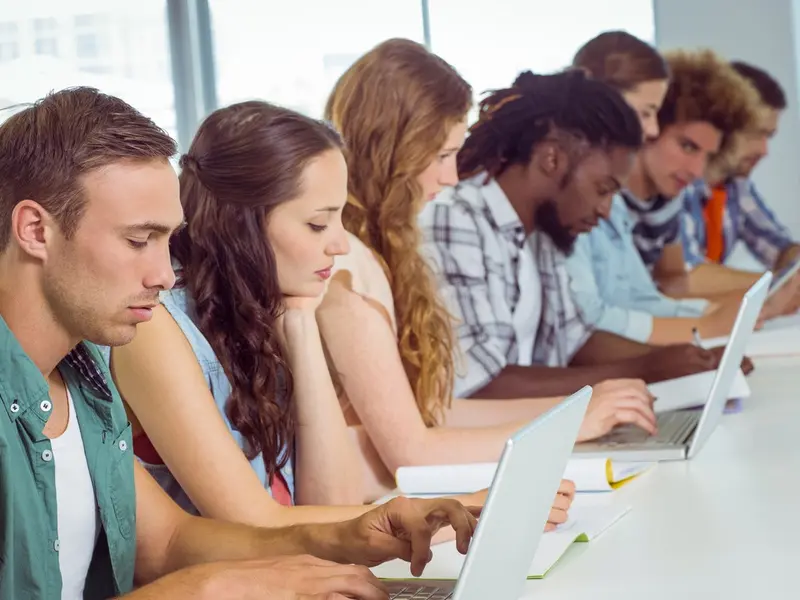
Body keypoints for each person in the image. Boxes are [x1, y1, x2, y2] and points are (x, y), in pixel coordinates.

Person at [0, 86, 481, 600]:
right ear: (35, 229)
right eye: (138, 241)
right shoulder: (137, 341)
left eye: (167, 240)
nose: (164, 274)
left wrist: (347, 537)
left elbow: (165, 540)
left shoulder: (85, 378)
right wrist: (210, 587)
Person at [106, 99, 511, 531]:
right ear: (241, 227)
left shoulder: (265, 311)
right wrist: (453, 511)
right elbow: (255, 525)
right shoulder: (156, 329)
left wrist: (300, 327)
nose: (339, 245)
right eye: (318, 225)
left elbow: (334, 502)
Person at [320, 39, 683, 500]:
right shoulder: (349, 264)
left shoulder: (387, 252)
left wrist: (577, 410)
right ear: (394, 150)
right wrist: (575, 419)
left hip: (391, 496)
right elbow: (413, 448)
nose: (452, 177)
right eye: (440, 157)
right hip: (373, 507)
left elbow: (431, 413)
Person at [419, 68, 725, 405]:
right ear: (553, 159)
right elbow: (481, 385)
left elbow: (576, 341)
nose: (606, 210)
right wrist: (646, 368)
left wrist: (692, 361)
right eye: (602, 189)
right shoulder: (456, 218)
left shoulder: (542, 233)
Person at [564, 32, 766, 344]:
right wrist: (706, 324)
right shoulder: (575, 191)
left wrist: (711, 313)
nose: (650, 128)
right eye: (687, 146)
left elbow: (642, 295)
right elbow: (588, 324)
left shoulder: (627, 200)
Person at [679, 61, 800, 275]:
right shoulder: (679, 183)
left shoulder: (735, 186)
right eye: (754, 133)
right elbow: (687, 274)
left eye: (768, 136)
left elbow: (778, 247)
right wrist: (766, 287)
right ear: (722, 124)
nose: (764, 151)